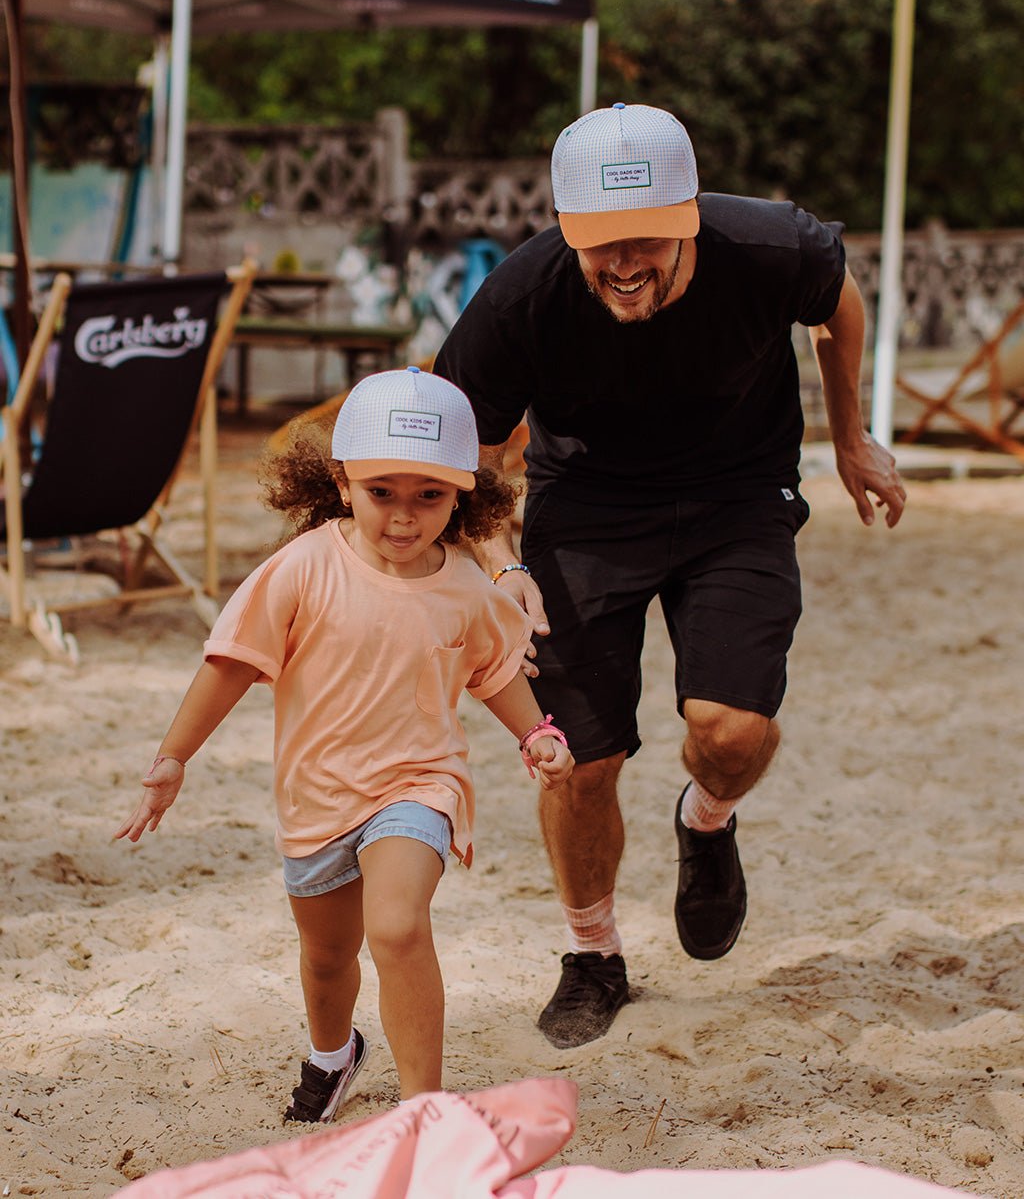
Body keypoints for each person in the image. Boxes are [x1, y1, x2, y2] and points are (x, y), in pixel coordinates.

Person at [433, 102, 907, 1050]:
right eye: (599, 242)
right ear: (570, 230)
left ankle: (707, 820)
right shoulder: (522, 297)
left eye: (645, 236)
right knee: (580, 758)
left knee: (731, 732)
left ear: (690, 213)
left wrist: (851, 436)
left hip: (740, 495)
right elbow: (467, 449)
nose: (623, 262)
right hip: (587, 508)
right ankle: (593, 954)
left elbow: (839, 305)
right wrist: (506, 564)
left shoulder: (773, 246)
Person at [114, 366, 574, 1122]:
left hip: (419, 785)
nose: (403, 516)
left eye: (429, 495)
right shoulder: (302, 568)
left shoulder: (465, 585)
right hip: (317, 797)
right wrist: (173, 757)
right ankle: (334, 1052)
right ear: (341, 480)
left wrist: (538, 733)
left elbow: (493, 670)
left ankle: (426, 1109)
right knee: (328, 959)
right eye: (381, 492)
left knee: (395, 924)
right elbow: (230, 662)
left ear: (464, 493)